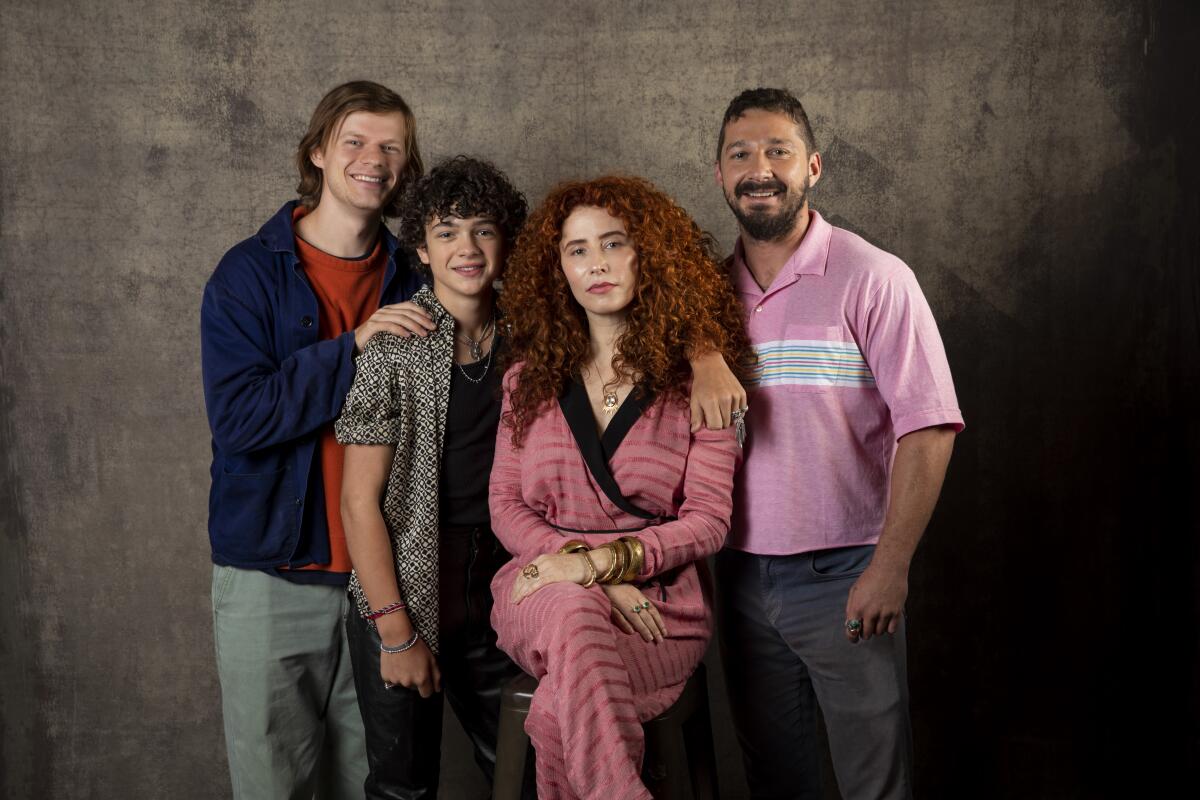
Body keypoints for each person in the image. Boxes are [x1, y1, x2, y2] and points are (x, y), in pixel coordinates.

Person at [712, 87, 964, 799]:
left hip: (846, 574)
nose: (759, 168)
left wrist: (890, 566)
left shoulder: (874, 277)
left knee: (872, 783)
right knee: (774, 780)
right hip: (737, 576)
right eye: (741, 154)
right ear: (719, 175)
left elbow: (930, 425)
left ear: (813, 166)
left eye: (778, 151)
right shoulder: (701, 293)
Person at [201, 80, 437, 798]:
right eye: (356, 142)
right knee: (278, 785)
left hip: (383, 587)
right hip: (275, 576)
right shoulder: (247, 275)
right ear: (318, 152)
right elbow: (240, 419)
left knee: (376, 781)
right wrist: (354, 345)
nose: (374, 158)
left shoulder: (417, 274)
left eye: (392, 147)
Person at [488, 175, 752, 800]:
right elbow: (504, 504)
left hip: (661, 610)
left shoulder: (703, 384)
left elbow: (711, 522)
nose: (596, 264)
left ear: (649, 256)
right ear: (557, 269)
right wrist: (591, 573)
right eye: (576, 249)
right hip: (540, 583)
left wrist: (611, 565)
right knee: (575, 611)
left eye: (614, 243)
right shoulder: (527, 378)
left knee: (564, 700)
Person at [334, 156, 535, 798]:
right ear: (422, 246)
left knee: (528, 775)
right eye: (447, 231)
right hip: (406, 592)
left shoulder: (535, 338)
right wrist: (396, 632)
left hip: (501, 592)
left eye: (484, 230)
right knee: (403, 786)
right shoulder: (396, 343)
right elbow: (358, 502)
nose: (467, 248)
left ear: (506, 241)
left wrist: (703, 357)